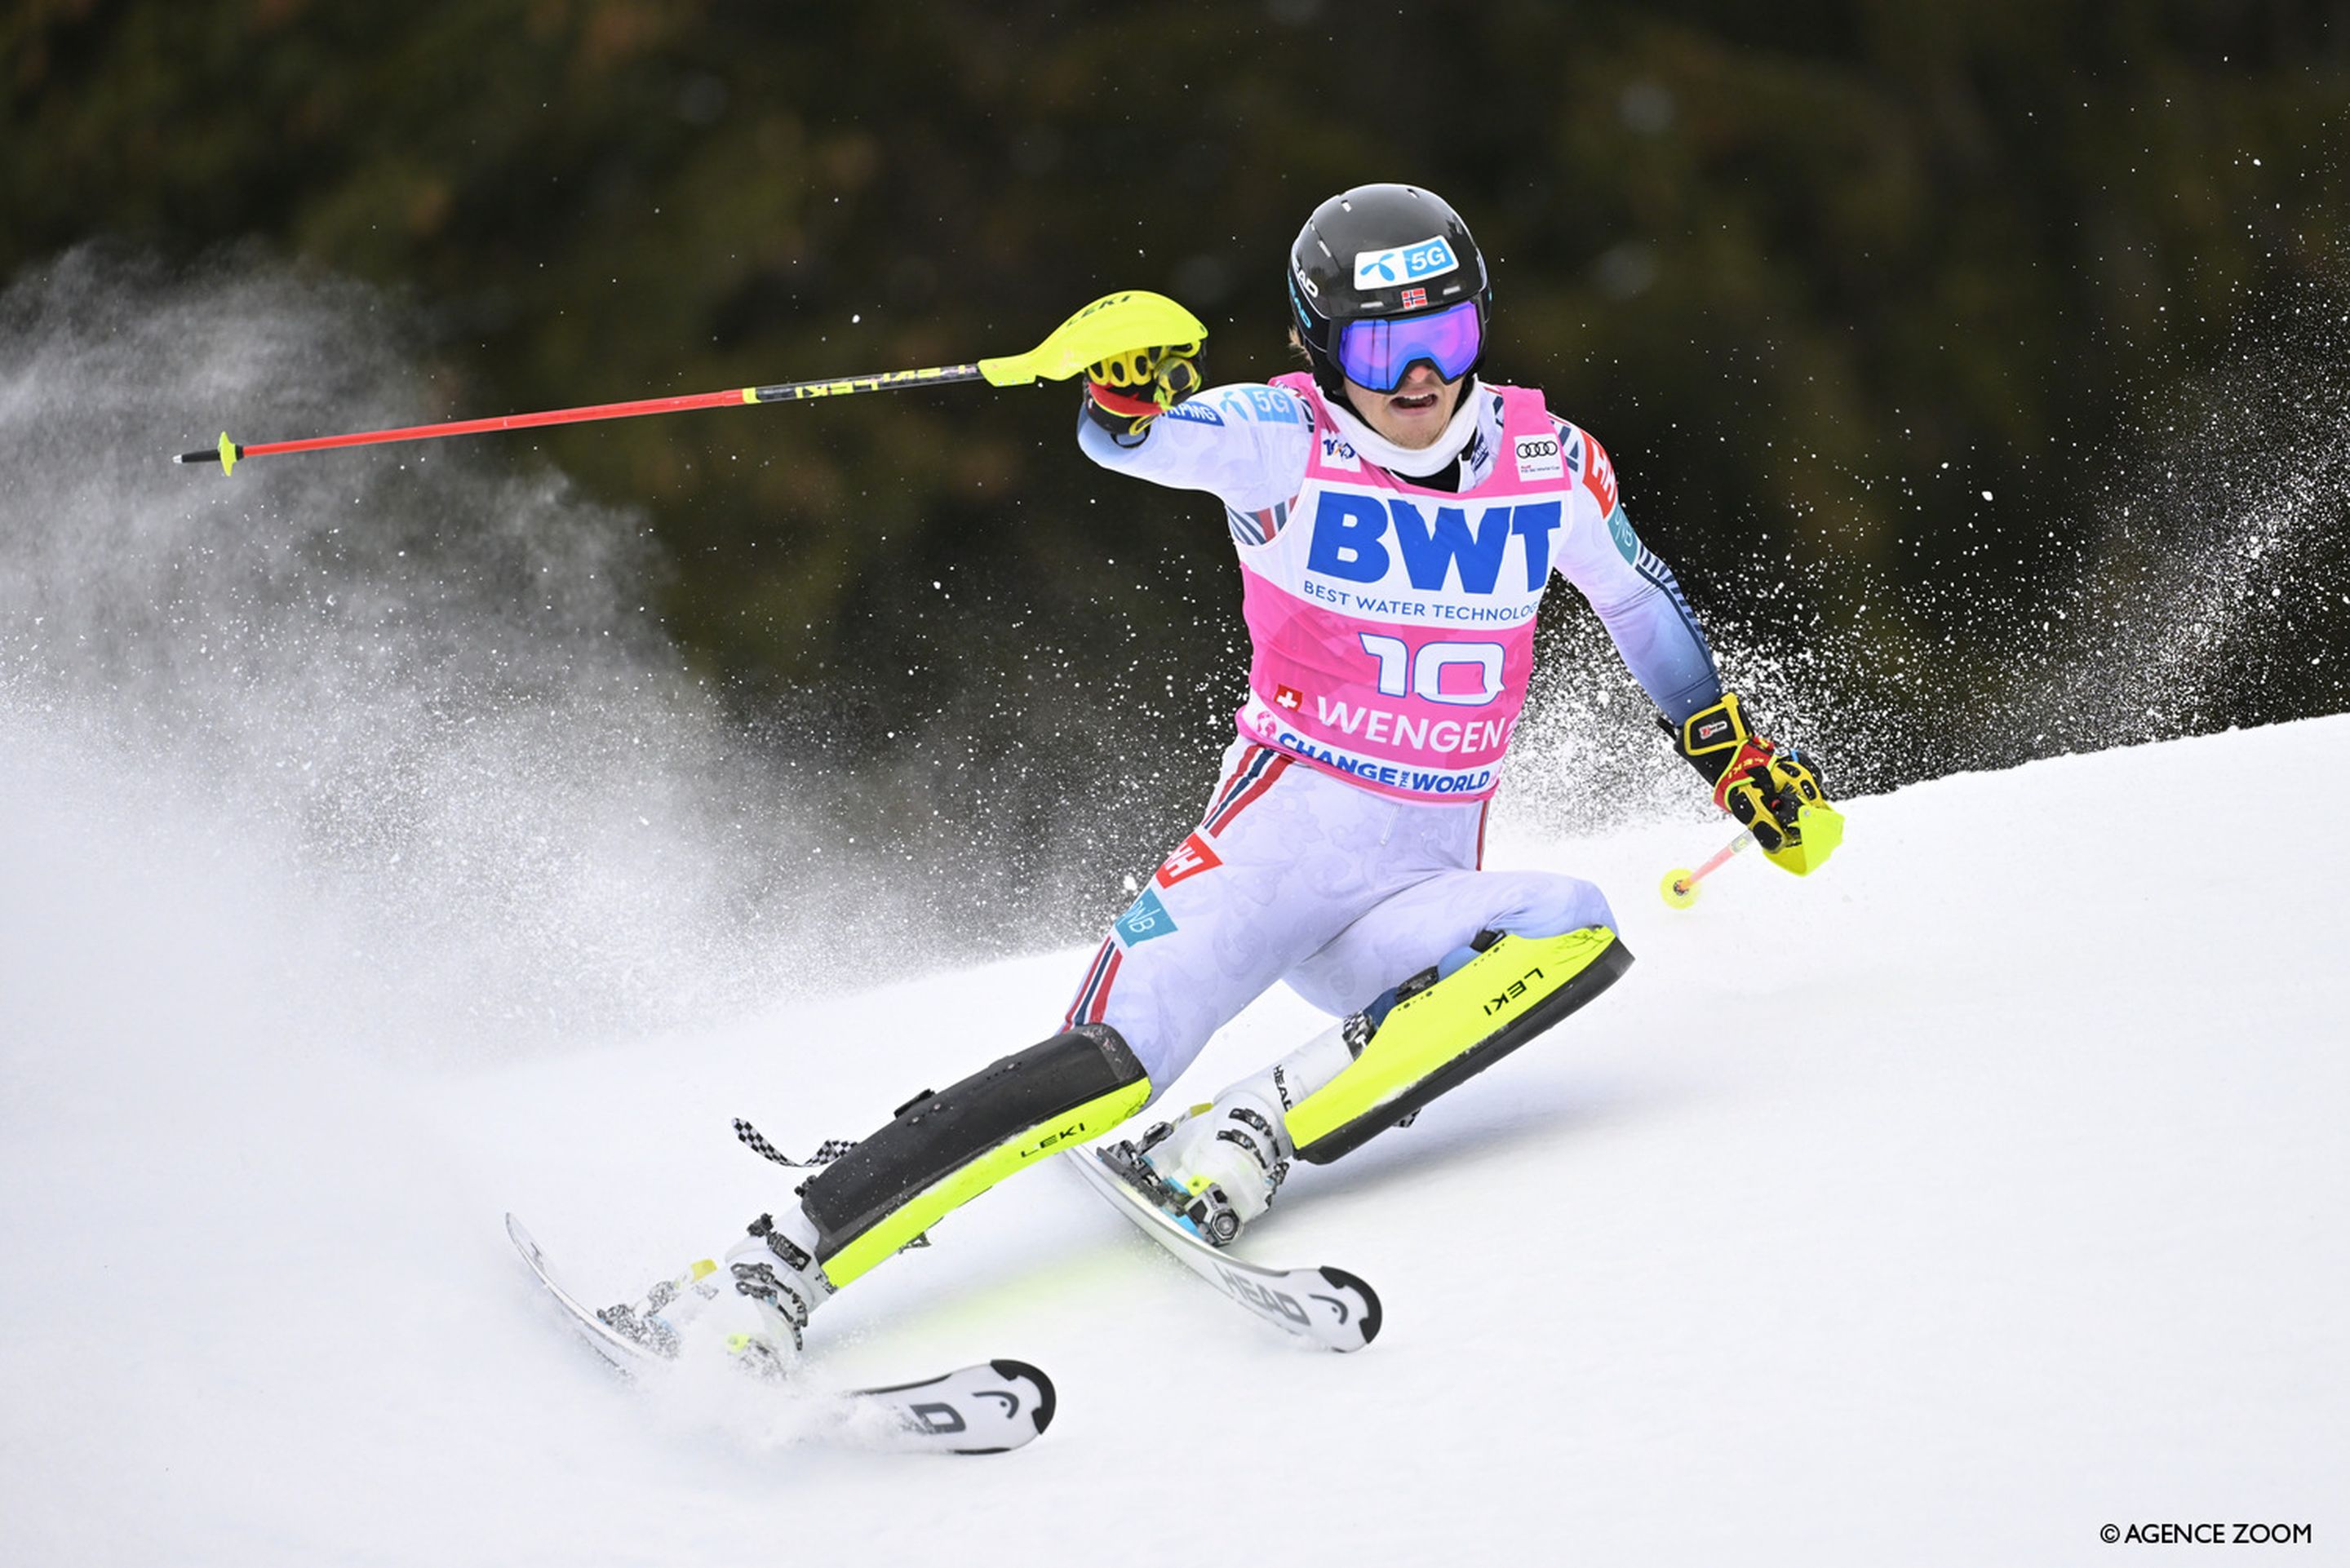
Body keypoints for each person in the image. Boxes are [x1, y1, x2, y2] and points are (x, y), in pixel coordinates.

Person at [600, 184, 1836, 1366]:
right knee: (1103, 1068)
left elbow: (1638, 600)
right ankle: (761, 1273)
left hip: (1407, 892)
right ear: (1320, 347)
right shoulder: (1279, 438)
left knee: (1574, 927)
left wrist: (1731, 755)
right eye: (1379, 350)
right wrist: (1122, 388)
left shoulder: (1549, 457)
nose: (1418, 381)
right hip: (1272, 852)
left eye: (1447, 336)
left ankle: (1245, 1132)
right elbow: (1132, 443)